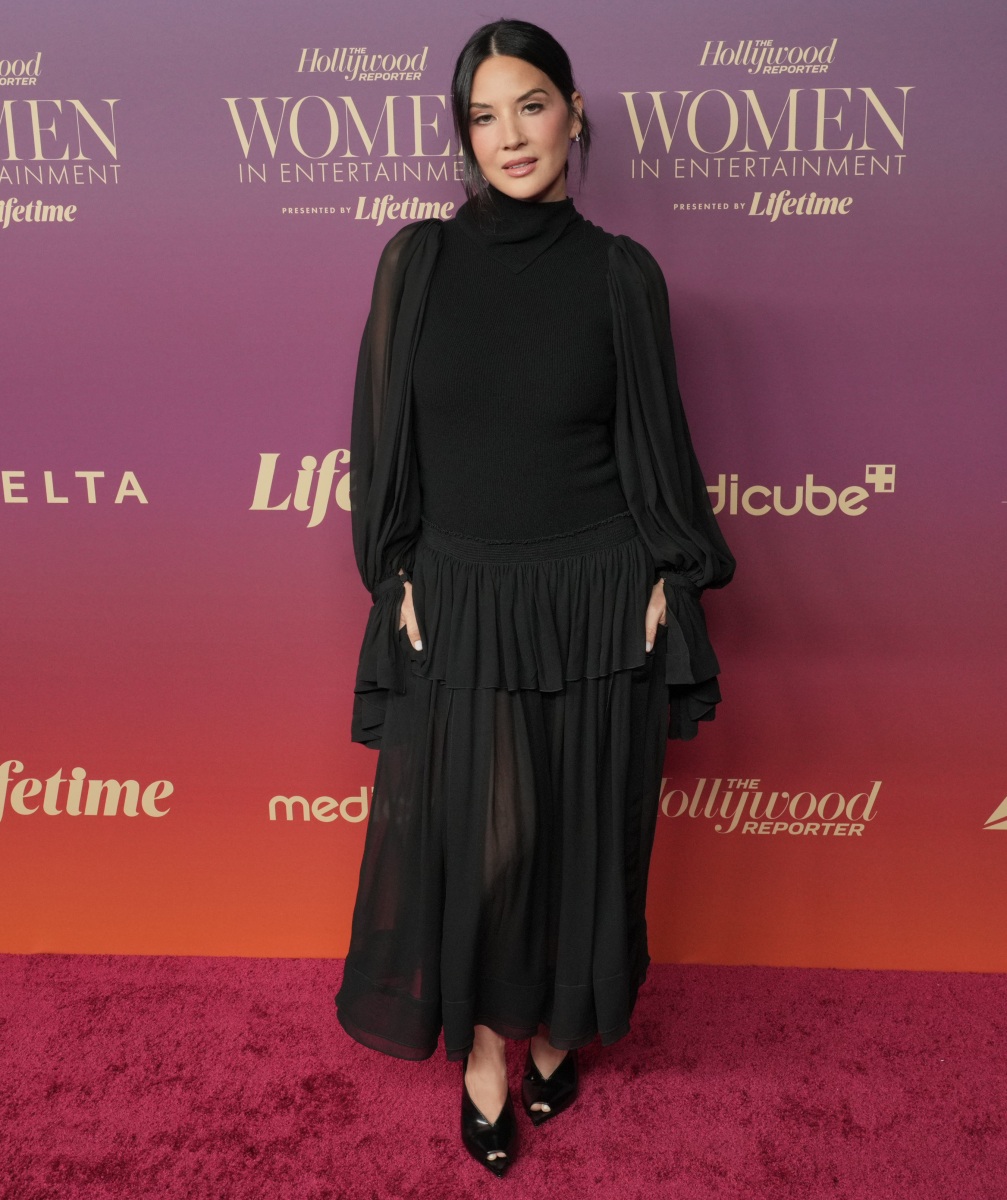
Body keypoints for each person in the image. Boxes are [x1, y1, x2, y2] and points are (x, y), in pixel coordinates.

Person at [334, 18, 735, 1178]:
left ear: (572, 114)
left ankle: (557, 1034)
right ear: (461, 135)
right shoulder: (415, 263)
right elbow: (384, 445)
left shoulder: (620, 275)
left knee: (584, 835)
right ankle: (482, 1052)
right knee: (485, 841)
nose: (509, 136)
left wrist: (665, 575)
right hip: (463, 592)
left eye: (530, 106)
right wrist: (398, 574)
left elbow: (653, 445)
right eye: (482, 115)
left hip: (600, 595)